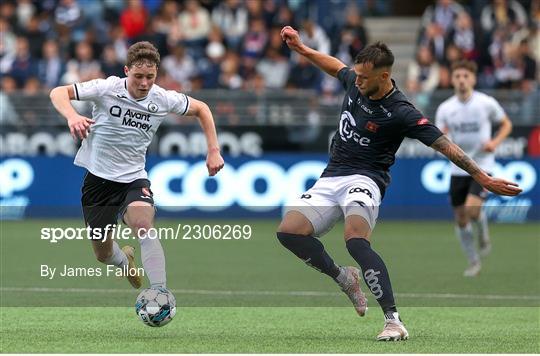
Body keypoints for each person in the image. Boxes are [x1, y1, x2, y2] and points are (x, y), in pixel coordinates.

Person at [277, 26, 521, 341]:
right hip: (332, 174)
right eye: (357, 75)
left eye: (364, 77)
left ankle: (394, 320)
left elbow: (444, 144)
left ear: (384, 76)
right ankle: (344, 278)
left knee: (355, 240)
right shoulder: (356, 80)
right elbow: (335, 67)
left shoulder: (401, 112)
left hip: (366, 179)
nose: (357, 80)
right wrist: (301, 49)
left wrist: (481, 176)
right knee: (288, 232)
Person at [49, 41, 224, 290]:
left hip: (133, 179)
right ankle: (123, 261)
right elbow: (58, 92)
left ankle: (160, 291)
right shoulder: (106, 87)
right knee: (103, 254)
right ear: (126, 70)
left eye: (150, 77)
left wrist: (213, 151)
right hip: (98, 181)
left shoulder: (162, 98)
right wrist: (73, 116)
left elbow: (202, 109)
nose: (144, 83)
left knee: (143, 225)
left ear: (157, 75)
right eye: (139, 76)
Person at [435, 60, 512, 277]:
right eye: (457, 76)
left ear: (473, 79)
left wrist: (494, 143)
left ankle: (484, 233)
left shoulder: (486, 103)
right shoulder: (445, 108)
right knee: (460, 218)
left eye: (465, 76)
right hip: (457, 168)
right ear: (452, 80)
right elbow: (440, 136)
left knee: (472, 210)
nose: (461, 80)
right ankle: (473, 261)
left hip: (483, 166)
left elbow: (506, 124)